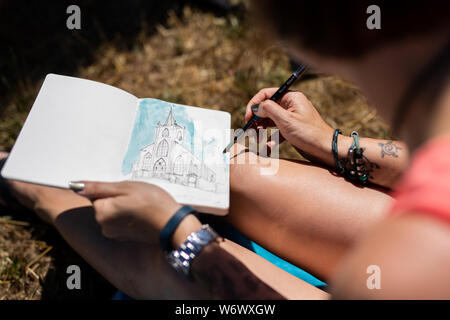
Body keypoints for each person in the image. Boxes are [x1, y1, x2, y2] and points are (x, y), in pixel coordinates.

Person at [1, 0, 449, 298]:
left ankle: (37, 188)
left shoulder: (416, 264)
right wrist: (330, 143)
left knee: (172, 269)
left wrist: (180, 235)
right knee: (232, 172)